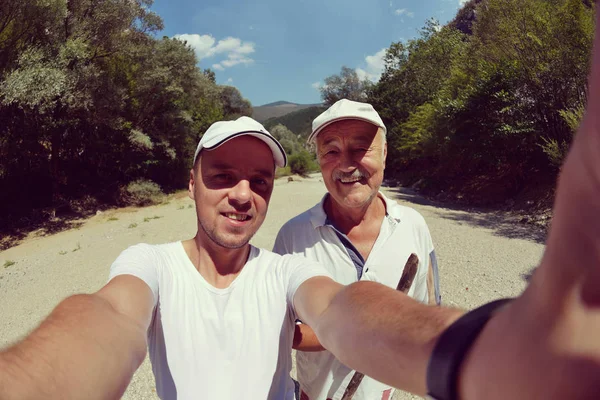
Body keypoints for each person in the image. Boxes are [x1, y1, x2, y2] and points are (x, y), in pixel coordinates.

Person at [1, 11, 600, 397]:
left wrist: (481, 347)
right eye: (223, 176)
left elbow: (344, 309)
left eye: (260, 180)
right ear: (190, 182)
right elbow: (107, 320)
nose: (242, 194)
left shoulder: (283, 268)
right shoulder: (150, 265)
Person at [273, 99, 441, 400]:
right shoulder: (292, 237)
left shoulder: (414, 227)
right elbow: (282, 330)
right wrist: (349, 332)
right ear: (319, 159)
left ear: (385, 153)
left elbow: (428, 314)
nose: (347, 165)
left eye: (361, 149)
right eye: (332, 151)